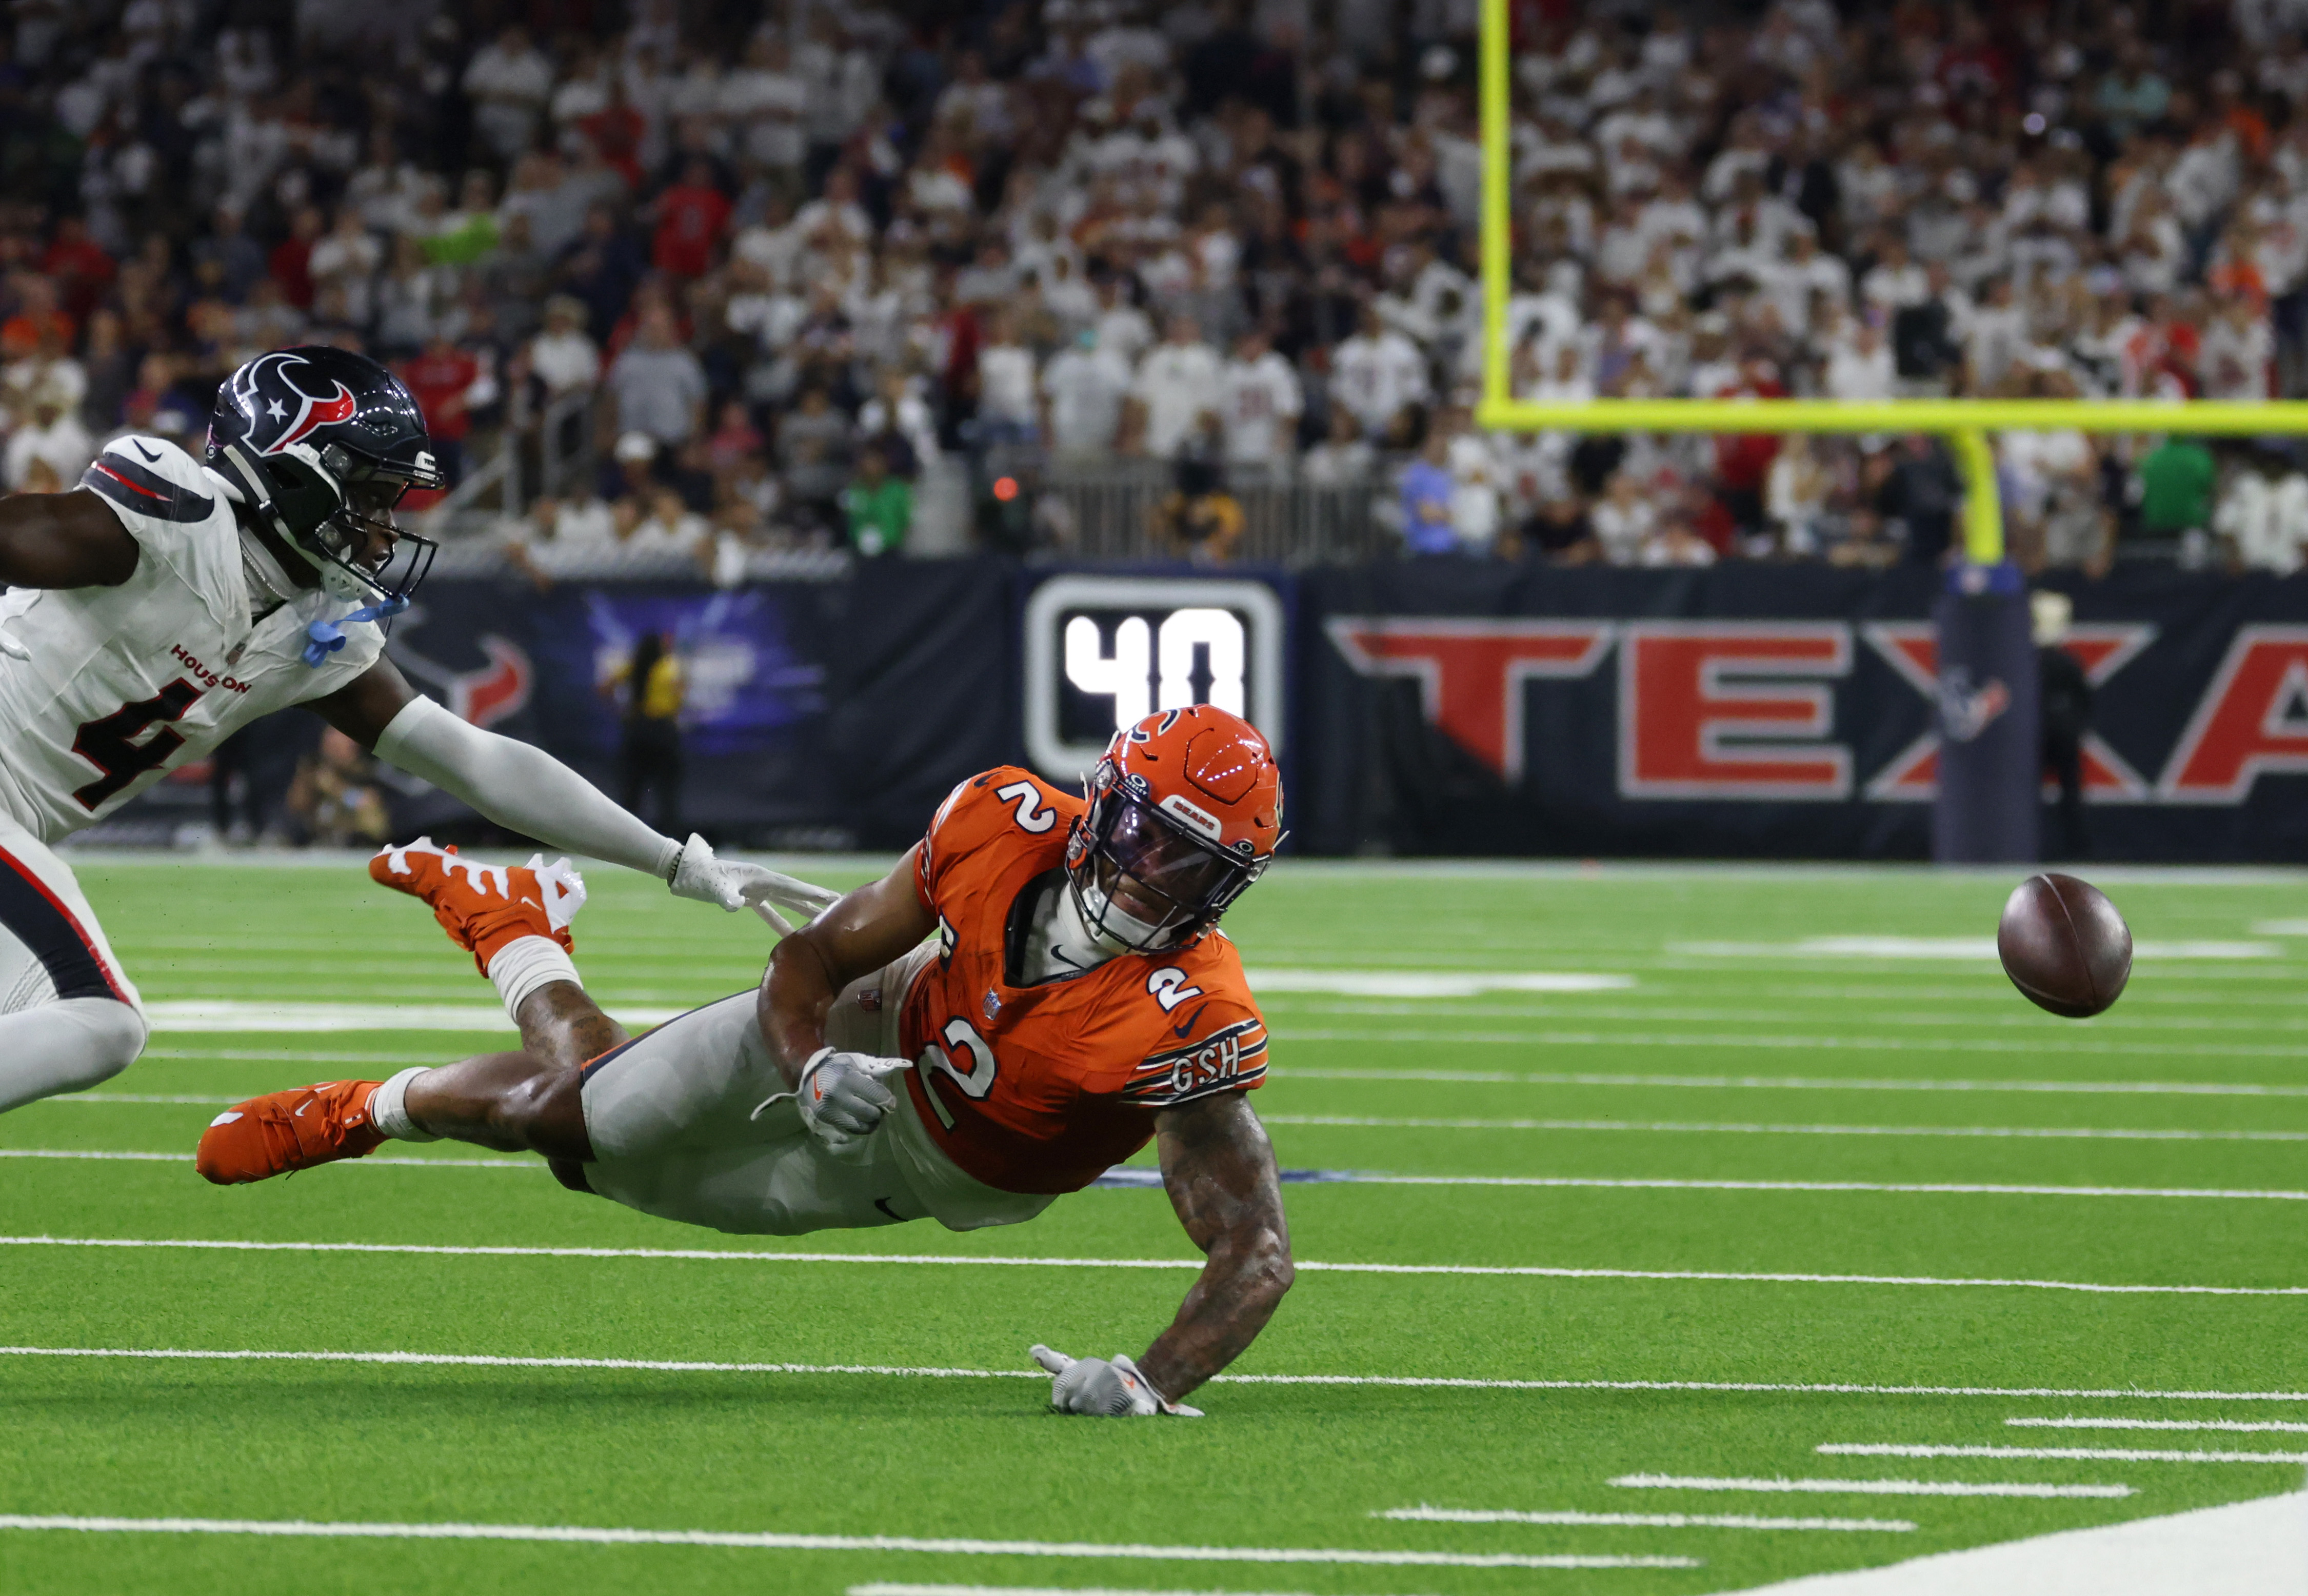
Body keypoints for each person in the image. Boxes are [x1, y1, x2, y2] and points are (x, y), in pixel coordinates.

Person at [197, 707, 1294, 1420]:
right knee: (581, 1121)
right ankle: (363, 1108)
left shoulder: (1192, 1011)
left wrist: (1152, 1378)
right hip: (870, 1020)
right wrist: (811, 1063)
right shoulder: (1000, 819)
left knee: (599, 1154)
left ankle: (514, 927)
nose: (1159, 880)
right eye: (1152, 837)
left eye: (1199, 866)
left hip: (939, 1171)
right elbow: (810, 956)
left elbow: (1256, 1249)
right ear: (1104, 804)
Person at [0, 345, 835, 1117]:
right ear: (291, 469)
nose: (383, 526)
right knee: (99, 1020)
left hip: (22, 822)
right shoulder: (170, 519)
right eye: (367, 493)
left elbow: (480, 763)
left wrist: (678, 860)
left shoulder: (311, 626)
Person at [2034, 590, 2092, 861]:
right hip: (2064, 734)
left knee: (2034, 796)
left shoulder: (2031, 663)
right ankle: (2077, 850)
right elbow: (2085, 699)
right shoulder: (2068, 662)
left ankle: (2037, 847)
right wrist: (2075, 727)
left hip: (2039, 736)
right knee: (2071, 795)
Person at [607, 630, 683, 836]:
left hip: (638, 728)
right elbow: (680, 694)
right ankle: (669, 837)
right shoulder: (669, 667)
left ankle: (626, 837)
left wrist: (621, 710)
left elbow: (606, 687)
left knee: (633, 788)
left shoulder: (634, 665)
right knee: (666, 790)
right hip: (662, 730)